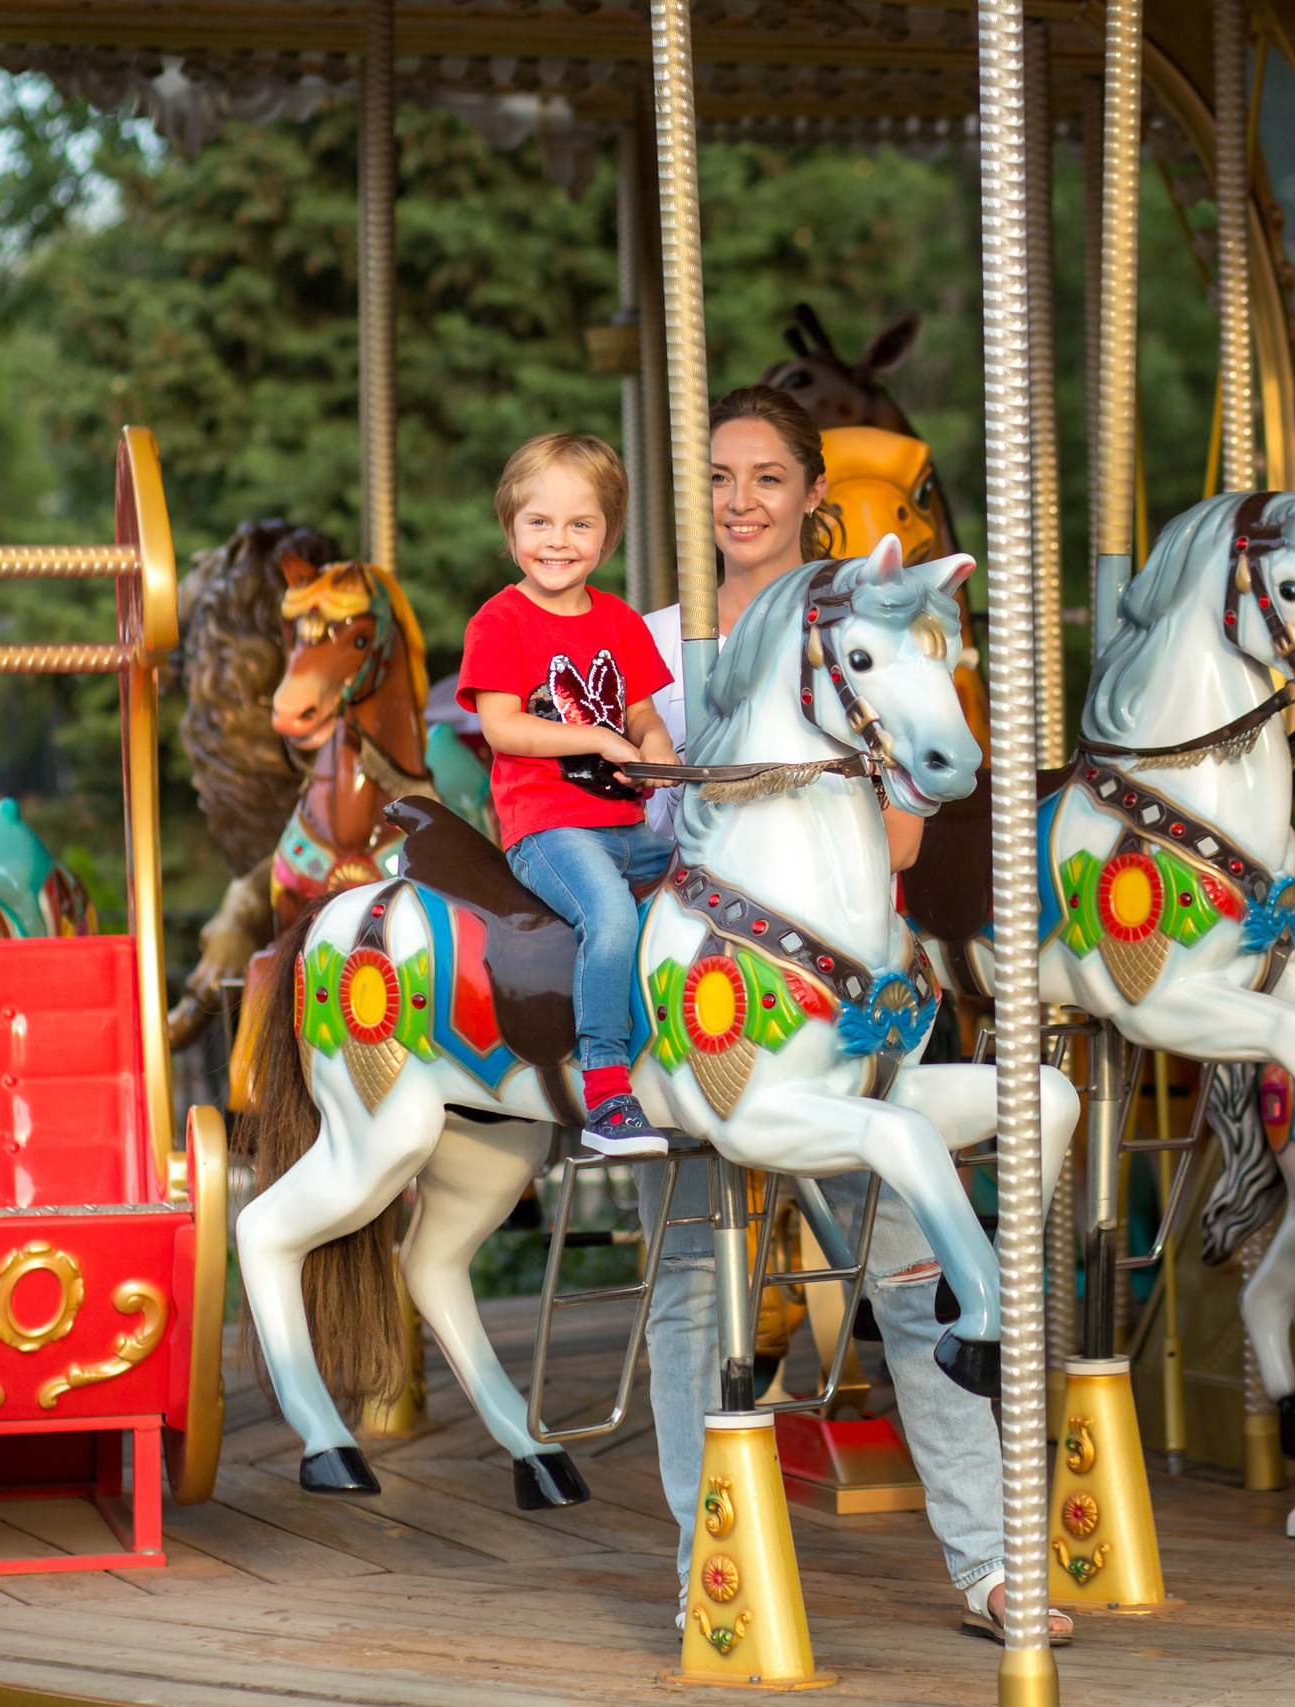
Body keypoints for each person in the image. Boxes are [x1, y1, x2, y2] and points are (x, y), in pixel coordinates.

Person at [636, 384, 1070, 1646]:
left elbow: (898, 823)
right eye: (718, 477)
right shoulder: (662, 641)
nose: (739, 501)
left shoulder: (859, 628)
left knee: (909, 1266)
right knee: (683, 1288)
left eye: (766, 477)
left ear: (811, 494)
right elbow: (617, 801)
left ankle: (990, 1562)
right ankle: (701, 1566)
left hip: (838, 987)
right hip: (705, 983)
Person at [459, 432, 681, 1157]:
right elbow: (503, 726)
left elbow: (643, 709)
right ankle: (608, 1091)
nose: (559, 542)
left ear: (608, 533)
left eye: (580, 524)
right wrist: (598, 739)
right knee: (611, 918)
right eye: (540, 523)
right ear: (511, 528)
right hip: (549, 827)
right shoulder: (501, 620)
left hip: (627, 821)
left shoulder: (618, 620)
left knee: (704, 894)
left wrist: (654, 746)